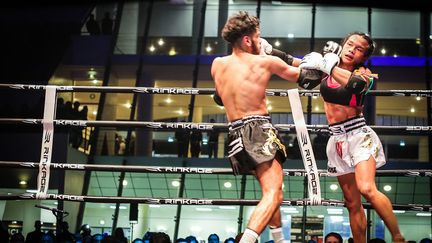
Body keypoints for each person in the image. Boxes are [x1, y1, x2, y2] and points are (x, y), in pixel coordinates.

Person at [211, 11, 321, 243]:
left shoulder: (217, 64)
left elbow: (220, 97)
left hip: (235, 134)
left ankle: (279, 240)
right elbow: (309, 79)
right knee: (273, 193)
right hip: (258, 130)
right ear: (247, 40)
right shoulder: (265, 61)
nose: (261, 41)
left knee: (273, 192)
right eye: (258, 37)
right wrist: (325, 62)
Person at [298, 32, 405, 242]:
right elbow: (297, 66)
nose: (351, 50)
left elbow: (355, 85)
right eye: (349, 44)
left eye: (358, 49)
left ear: (363, 57)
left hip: (359, 136)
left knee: (366, 187)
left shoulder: (363, 74)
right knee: (351, 202)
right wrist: (272, 53)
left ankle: (398, 237)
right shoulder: (326, 69)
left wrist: (327, 66)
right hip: (336, 140)